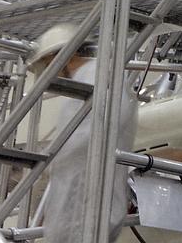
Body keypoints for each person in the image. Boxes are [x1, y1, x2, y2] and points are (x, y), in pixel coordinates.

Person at [30, 23, 137, 243]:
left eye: (48, 62)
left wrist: (47, 160)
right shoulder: (93, 77)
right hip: (90, 202)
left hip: (83, 204)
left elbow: (79, 142)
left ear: (59, 56)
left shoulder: (94, 78)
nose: (50, 69)